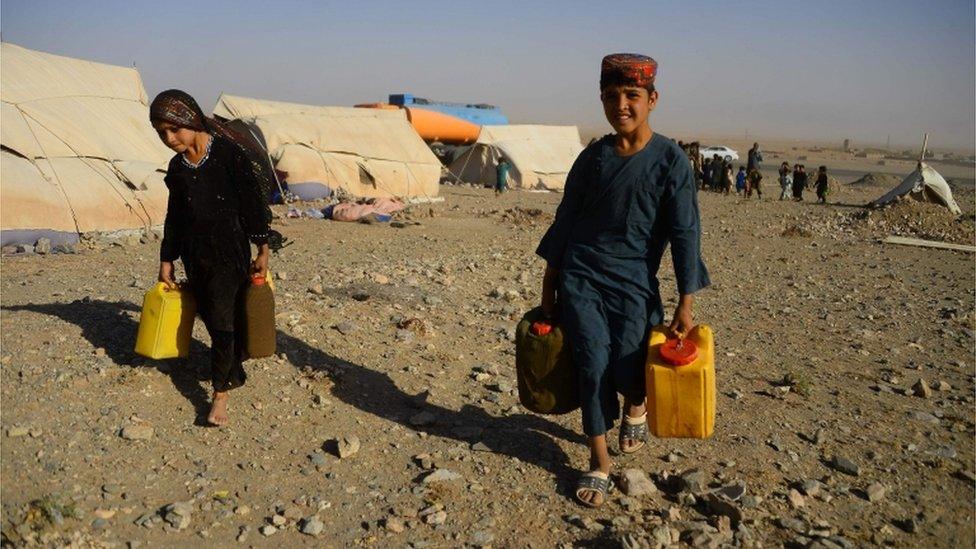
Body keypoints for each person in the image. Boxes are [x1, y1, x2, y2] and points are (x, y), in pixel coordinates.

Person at [536, 53, 709, 508]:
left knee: (629, 369)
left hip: (634, 281)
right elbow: (566, 218)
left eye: (632, 96)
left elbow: (685, 231)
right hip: (582, 276)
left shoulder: (670, 161)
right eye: (611, 97)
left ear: (652, 99)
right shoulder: (592, 158)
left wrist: (685, 300)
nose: (621, 106)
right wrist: (550, 278)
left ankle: (636, 404)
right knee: (592, 364)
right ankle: (599, 463)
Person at [150, 89, 273, 427]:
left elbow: (252, 202)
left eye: (174, 129)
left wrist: (262, 247)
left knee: (220, 320)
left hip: (228, 251)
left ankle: (220, 394)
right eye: (161, 133)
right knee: (211, 313)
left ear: (190, 118)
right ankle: (234, 358)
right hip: (194, 254)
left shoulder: (228, 155)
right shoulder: (177, 167)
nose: (169, 138)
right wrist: (167, 257)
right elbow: (174, 215)